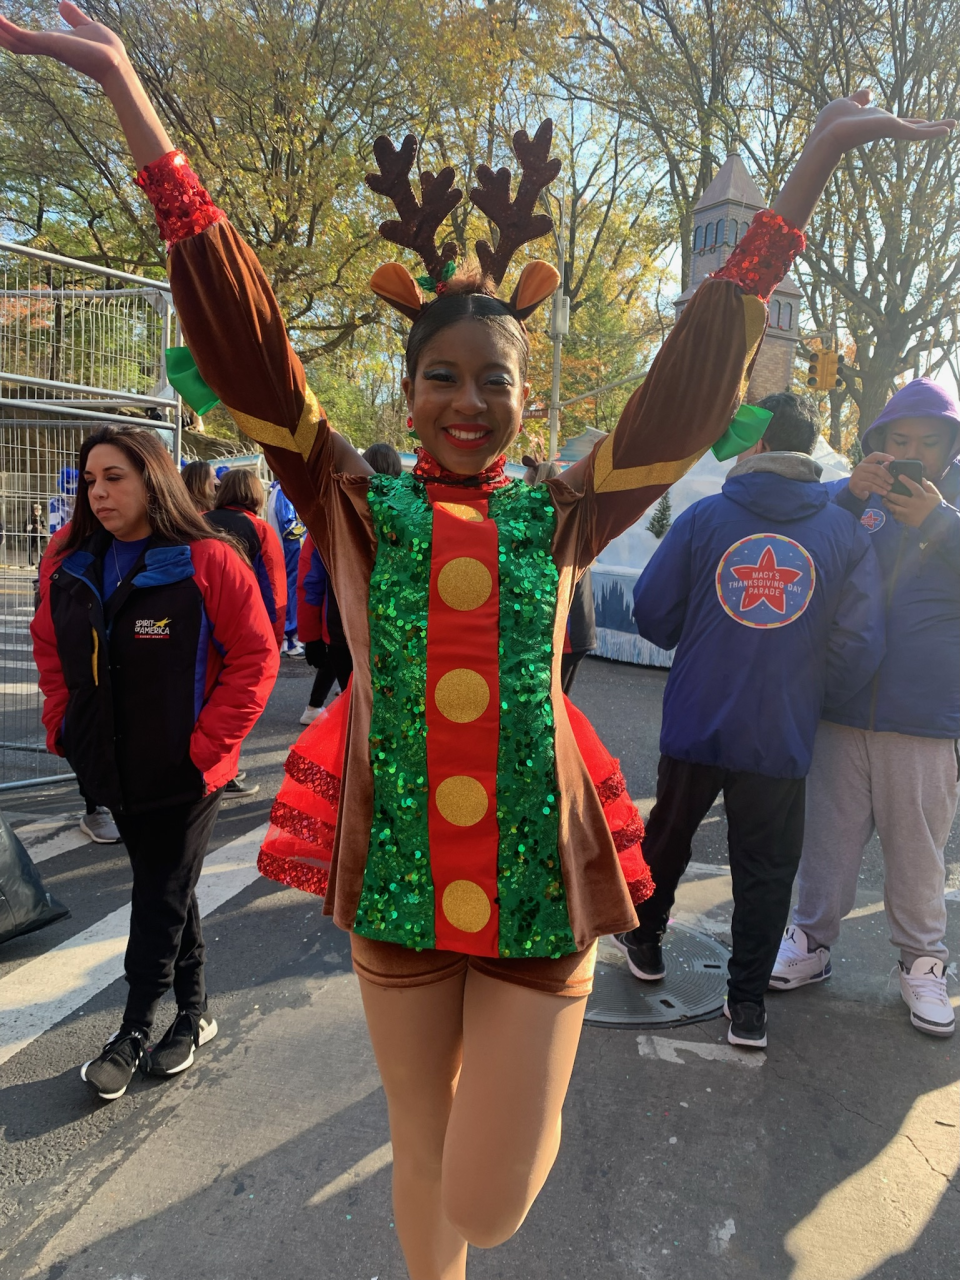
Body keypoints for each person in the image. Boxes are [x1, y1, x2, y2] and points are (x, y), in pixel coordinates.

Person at [7, 7, 946, 1266]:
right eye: (440, 376)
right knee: (421, 1142)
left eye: (493, 379)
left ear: (525, 396)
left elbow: (689, 378)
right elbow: (245, 337)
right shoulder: (349, 500)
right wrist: (133, 98)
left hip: (537, 887)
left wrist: (805, 176)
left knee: (492, 1194)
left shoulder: (569, 506)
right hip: (393, 880)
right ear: (406, 393)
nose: (465, 399)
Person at [624, 392, 885, 1048]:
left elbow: (652, 613)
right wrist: (805, 691)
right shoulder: (846, 534)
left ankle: (646, 940)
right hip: (783, 731)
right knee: (767, 865)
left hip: (696, 720)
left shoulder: (705, 518)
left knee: (671, 835)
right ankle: (747, 1006)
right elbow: (860, 645)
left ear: (762, 445)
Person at [30, 423, 279, 1100]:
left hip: (186, 772)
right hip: (110, 763)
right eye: (90, 481)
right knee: (169, 887)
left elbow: (257, 658)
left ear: (154, 478)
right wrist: (63, 725)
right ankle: (195, 1015)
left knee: (159, 891)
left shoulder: (209, 558)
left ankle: (134, 1029)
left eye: (116, 477)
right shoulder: (71, 556)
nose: (101, 493)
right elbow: (50, 650)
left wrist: (205, 748)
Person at [771, 378, 960, 1038]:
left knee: (917, 852)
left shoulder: (953, 510)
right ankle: (812, 944)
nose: (913, 454)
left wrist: (938, 521)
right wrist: (851, 495)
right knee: (828, 838)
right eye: (898, 441)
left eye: (928, 444)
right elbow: (804, 538)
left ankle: (924, 963)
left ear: (950, 448)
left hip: (927, 715)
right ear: (877, 443)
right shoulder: (855, 501)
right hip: (841, 705)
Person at [204, 466, 288, 796]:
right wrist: (274, 638)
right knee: (234, 703)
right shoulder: (260, 529)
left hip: (197, 626)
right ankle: (224, 772)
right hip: (242, 632)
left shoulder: (199, 520)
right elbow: (274, 589)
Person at [523, 458, 597, 693]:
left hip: (563, 631)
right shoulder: (570, 515)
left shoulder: (546, 520)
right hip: (573, 628)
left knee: (551, 708)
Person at [267, 479, 306, 655]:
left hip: (287, 551)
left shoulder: (281, 490)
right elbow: (289, 528)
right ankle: (289, 639)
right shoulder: (284, 491)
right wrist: (312, 528)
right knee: (290, 592)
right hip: (289, 552)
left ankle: (290, 637)